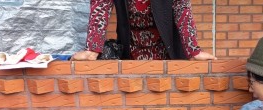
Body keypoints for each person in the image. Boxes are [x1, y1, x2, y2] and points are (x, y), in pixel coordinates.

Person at [71, 0, 217, 61]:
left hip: (165, 50)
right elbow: (100, 7)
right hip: (132, 50)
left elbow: (182, 10)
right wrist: (93, 48)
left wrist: (193, 50)